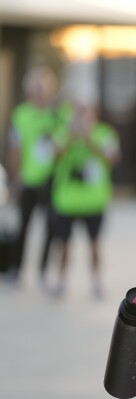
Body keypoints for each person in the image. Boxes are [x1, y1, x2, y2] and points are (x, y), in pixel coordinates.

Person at [5, 66, 69, 285]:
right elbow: (15, 149)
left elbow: (65, 144)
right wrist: (15, 179)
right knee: (23, 225)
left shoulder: (58, 114)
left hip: (52, 180)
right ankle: (17, 267)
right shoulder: (21, 114)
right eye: (37, 88)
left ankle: (43, 270)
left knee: (51, 228)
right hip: (28, 179)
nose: (41, 92)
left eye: (44, 87)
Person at [50, 102, 120, 298]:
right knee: (62, 244)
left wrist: (89, 139)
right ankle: (60, 281)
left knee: (94, 244)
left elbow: (112, 158)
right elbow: (53, 157)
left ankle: (97, 282)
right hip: (66, 201)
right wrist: (70, 138)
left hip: (93, 202)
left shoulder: (104, 133)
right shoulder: (63, 133)